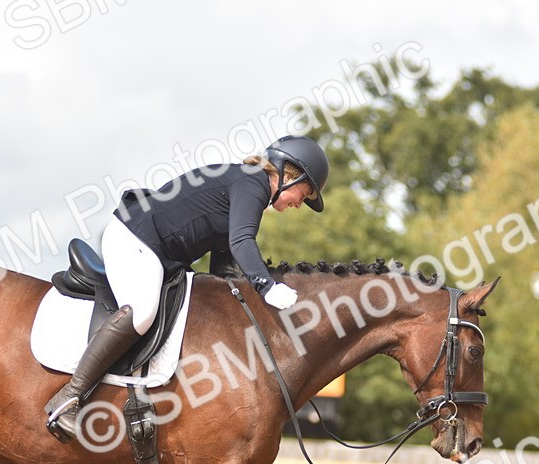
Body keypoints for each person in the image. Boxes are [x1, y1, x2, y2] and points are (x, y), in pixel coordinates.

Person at [45, 134, 330, 443]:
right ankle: (69, 397)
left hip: (158, 251)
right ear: (289, 173)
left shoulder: (248, 189)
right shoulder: (252, 184)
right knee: (142, 312)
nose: (301, 204)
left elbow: (224, 262)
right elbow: (241, 242)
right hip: (136, 238)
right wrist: (265, 285)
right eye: (305, 193)